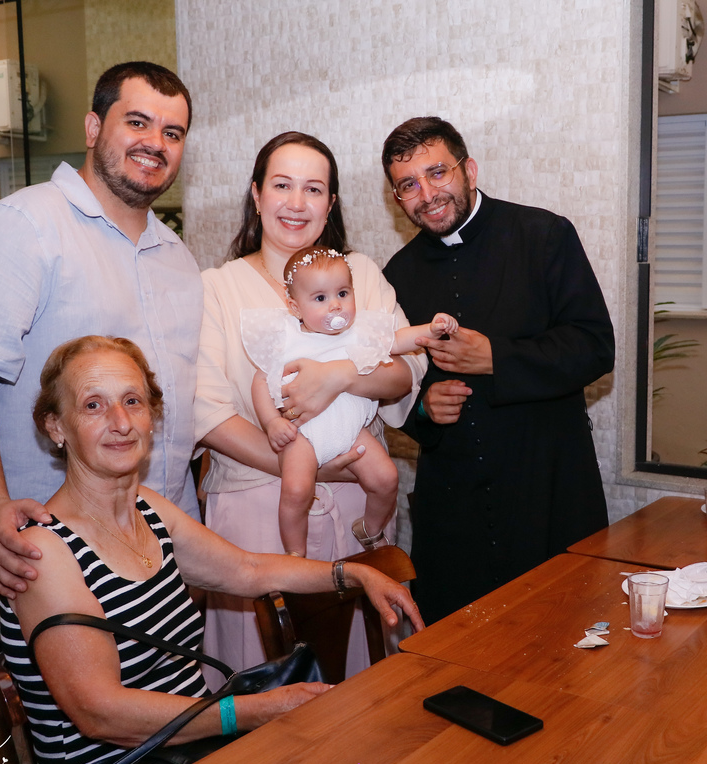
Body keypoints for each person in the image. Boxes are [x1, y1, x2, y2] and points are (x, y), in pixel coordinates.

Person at [0, 335, 423, 764]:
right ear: (56, 426)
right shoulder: (43, 551)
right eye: (93, 406)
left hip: (196, 761)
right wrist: (252, 711)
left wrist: (353, 573)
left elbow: (247, 570)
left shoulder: (147, 509)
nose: (120, 422)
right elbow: (100, 713)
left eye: (133, 401)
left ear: (152, 416)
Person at [0, 62, 201, 599]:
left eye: (173, 132)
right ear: (93, 128)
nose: (155, 143)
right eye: (137, 122)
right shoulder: (24, 226)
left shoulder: (179, 258)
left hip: (162, 547)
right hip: (46, 555)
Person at [195, 132, 428, 675]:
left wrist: (338, 376)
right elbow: (205, 411)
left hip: (357, 507)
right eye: (282, 185)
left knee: (364, 675)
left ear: (331, 203)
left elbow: (403, 373)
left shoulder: (360, 274)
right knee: (270, 678)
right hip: (256, 506)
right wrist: (304, 465)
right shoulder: (217, 288)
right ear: (257, 195)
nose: (296, 203)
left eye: (314, 189)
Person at [380, 117, 615, 623]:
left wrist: (496, 357)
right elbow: (389, 388)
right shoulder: (395, 276)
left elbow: (596, 347)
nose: (427, 194)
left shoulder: (544, 235)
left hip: (547, 490)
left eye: (437, 173)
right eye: (408, 184)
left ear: (469, 170)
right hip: (454, 512)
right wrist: (423, 409)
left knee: (566, 643)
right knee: (454, 654)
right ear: (397, 199)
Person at [246, 245, 458, 557]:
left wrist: (431, 329)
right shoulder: (287, 337)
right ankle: (295, 554)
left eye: (343, 293)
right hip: (302, 434)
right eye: (320, 298)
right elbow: (261, 381)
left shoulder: (360, 331)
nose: (336, 305)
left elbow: (397, 340)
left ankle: (370, 529)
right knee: (295, 490)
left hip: (350, 432)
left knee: (387, 478)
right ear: (295, 306)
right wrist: (271, 422)